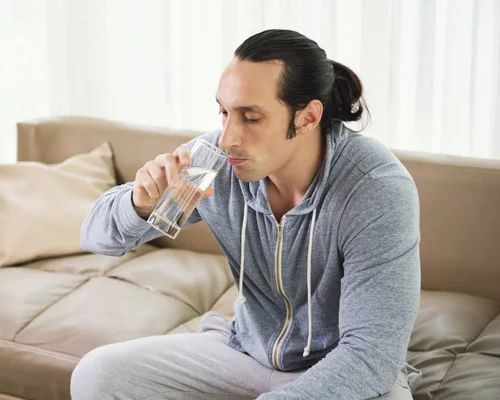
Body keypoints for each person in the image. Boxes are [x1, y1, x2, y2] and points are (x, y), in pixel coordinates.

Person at [71, 29, 422, 399]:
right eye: (224, 112)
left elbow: (372, 355)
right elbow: (95, 238)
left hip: (341, 369)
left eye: (251, 117)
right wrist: (138, 205)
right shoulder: (216, 160)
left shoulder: (376, 188)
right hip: (246, 353)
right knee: (98, 375)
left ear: (307, 117)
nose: (227, 137)